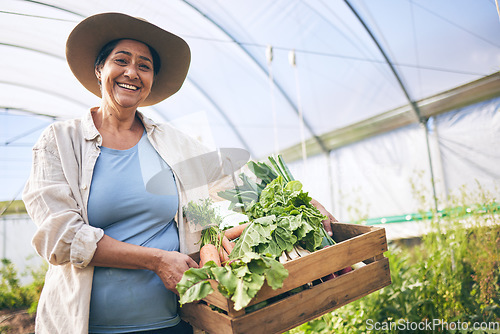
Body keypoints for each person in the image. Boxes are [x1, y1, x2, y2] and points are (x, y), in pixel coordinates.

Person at [22, 12, 230, 334]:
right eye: (121, 60)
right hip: (88, 326)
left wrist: (303, 203)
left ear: (150, 81)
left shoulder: (172, 142)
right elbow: (60, 237)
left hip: (173, 324)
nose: (132, 72)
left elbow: (227, 184)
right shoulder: (60, 142)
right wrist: (156, 260)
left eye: (144, 66)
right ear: (99, 69)